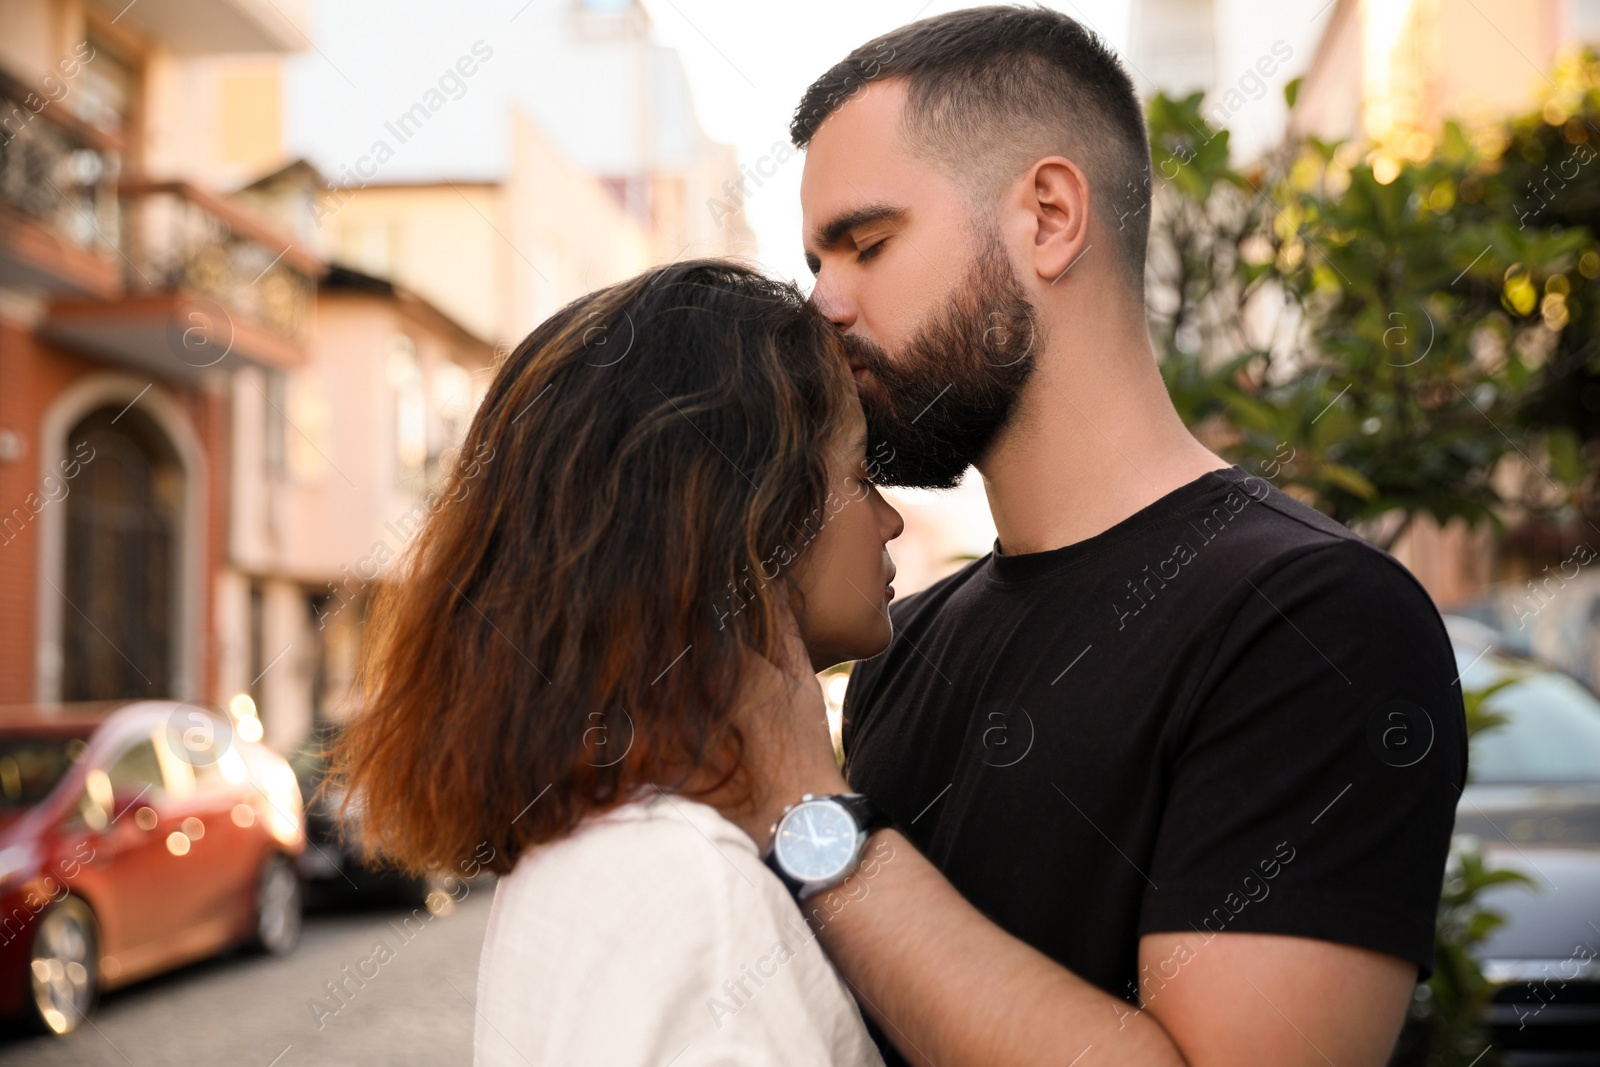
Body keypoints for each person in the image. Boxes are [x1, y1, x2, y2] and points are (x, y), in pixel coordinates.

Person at [734, 7, 1469, 1066]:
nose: (823, 305)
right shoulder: (908, 647)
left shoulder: (1314, 625)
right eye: (815, 260)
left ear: (1047, 215)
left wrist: (812, 815)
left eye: (866, 244)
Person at [327, 260, 903, 1066]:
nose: (893, 518)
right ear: (752, 519)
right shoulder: (691, 893)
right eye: (860, 472)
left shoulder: (595, 848)